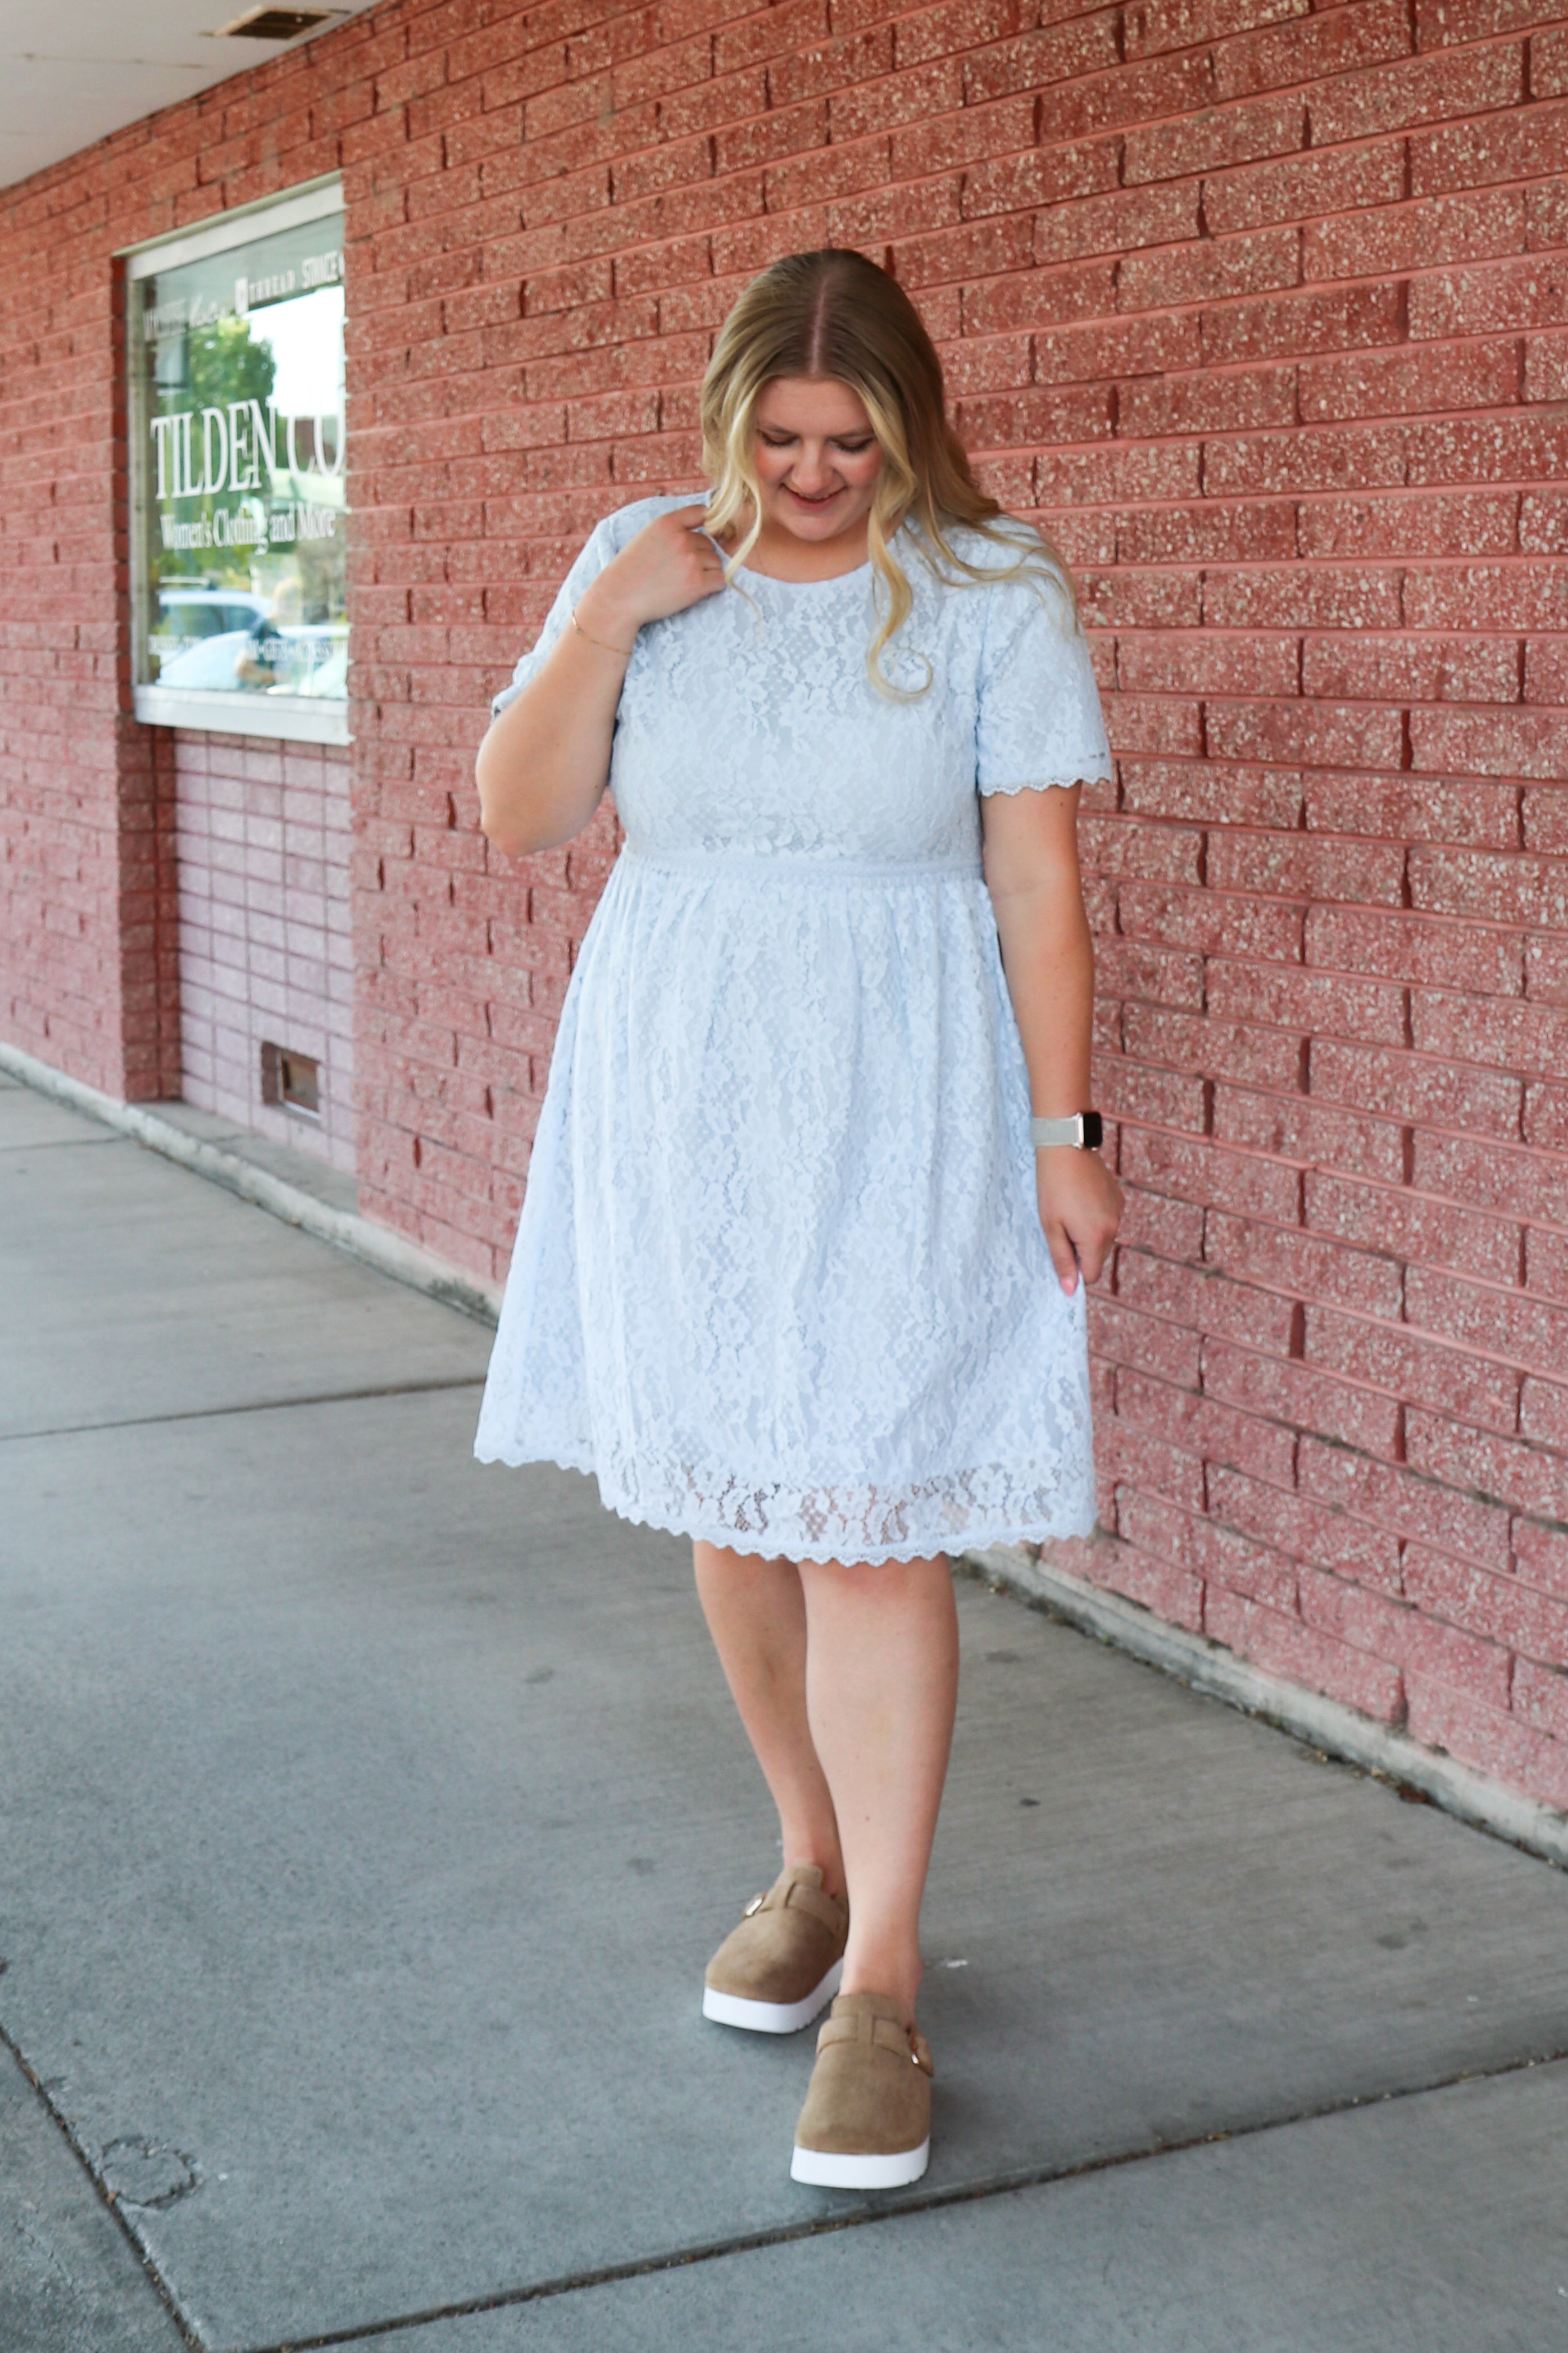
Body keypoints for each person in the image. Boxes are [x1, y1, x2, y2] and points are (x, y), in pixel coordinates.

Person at [472, 247, 1123, 2192]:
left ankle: (889, 1978)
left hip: (902, 1081)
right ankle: (810, 1864)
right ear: (722, 418)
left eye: (855, 438)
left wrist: (1063, 1128)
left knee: (868, 1505)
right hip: (679, 1083)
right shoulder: (642, 559)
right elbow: (516, 816)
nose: (819, 471)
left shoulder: (997, 591)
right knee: (734, 1494)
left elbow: (1037, 887)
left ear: (913, 423)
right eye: (783, 437)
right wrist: (608, 618)